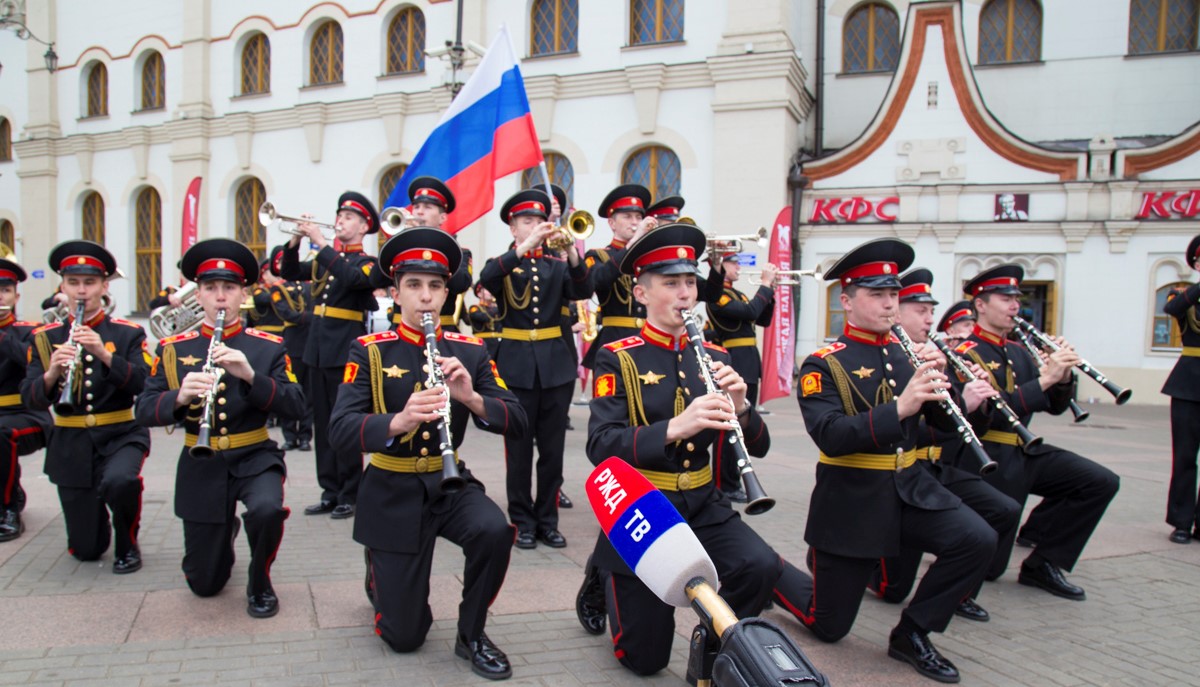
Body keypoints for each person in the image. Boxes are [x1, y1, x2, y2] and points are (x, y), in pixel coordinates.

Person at [778, 238, 997, 684]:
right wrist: (899, 408)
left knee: (977, 539)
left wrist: (947, 385)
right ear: (847, 300)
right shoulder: (823, 363)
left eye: (893, 295)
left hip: (910, 488)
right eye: (876, 295)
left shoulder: (906, 352)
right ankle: (771, 572)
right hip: (852, 502)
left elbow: (943, 424)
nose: (889, 305)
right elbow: (832, 436)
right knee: (829, 626)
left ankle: (913, 634)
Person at [329, 227, 527, 680]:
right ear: (395, 292)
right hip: (391, 488)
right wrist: (397, 422)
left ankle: (471, 633)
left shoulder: (471, 351)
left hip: (446, 483)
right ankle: (379, 567)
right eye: (414, 286)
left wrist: (472, 398)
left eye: (435, 286)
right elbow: (340, 430)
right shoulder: (368, 351)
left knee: (494, 530)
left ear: (445, 294)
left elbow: (517, 421)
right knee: (404, 638)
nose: (425, 298)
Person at [585, 221, 781, 676]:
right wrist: (673, 427)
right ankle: (603, 570)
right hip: (642, 504)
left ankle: (712, 651)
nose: (684, 293)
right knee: (644, 661)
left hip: (700, 499)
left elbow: (760, 445)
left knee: (759, 566)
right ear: (641, 294)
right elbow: (601, 445)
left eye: (690, 282)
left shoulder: (718, 357)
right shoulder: (618, 356)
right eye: (670, 283)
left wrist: (744, 408)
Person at [136, 239, 305, 617]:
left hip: (254, 455)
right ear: (198, 295)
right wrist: (179, 397)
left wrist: (250, 375)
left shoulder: (268, 346)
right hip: (202, 460)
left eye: (229, 288)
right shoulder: (173, 349)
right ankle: (221, 533)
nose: (220, 298)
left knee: (265, 510)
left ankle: (260, 580)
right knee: (205, 585)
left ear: (243, 293)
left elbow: (296, 406)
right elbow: (144, 410)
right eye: (211, 289)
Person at [865, 268, 1020, 624]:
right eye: (921, 310)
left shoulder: (934, 353)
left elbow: (957, 429)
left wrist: (969, 402)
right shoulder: (884, 357)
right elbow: (899, 431)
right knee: (893, 590)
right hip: (895, 470)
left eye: (932, 310)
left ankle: (954, 595)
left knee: (1000, 513)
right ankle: (851, 560)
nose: (931, 319)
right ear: (897, 311)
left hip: (933, 468)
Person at [957, 264, 1119, 599]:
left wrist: (1062, 377)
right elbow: (997, 413)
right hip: (989, 456)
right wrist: (1045, 379)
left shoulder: (1018, 351)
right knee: (991, 569)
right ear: (981, 305)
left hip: (1026, 450)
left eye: (1016, 297)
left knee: (1098, 481)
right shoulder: (964, 353)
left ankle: (1043, 562)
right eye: (1005, 298)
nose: (1015, 305)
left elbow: (1054, 406)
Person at [21, 240, 152, 573]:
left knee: (121, 481)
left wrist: (106, 356)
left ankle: (128, 540)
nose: (82, 291)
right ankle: (95, 527)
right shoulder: (45, 337)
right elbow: (31, 398)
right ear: (62, 287)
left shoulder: (128, 334)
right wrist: (52, 372)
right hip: (71, 443)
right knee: (87, 550)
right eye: (74, 283)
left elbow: (143, 384)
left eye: (90, 282)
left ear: (104, 286)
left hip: (120, 433)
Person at [478, 188, 593, 549]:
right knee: (519, 451)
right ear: (513, 228)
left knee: (552, 451)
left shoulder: (557, 267)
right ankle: (522, 521)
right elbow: (487, 277)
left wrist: (572, 251)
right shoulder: (505, 263)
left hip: (555, 367)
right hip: (516, 367)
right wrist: (525, 247)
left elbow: (584, 289)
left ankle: (548, 520)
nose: (533, 226)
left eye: (538, 221)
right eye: (525, 221)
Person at [279, 191, 382, 520]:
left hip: (344, 351)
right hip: (317, 351)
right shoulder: (326, 262)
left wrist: (321, 244)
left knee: (344, 424)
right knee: (321, 423)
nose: (340, 220)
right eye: (339, 215)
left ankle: (350, 493)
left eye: (349, 217)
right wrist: (295, 241)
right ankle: (329, 490)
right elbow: (290, 271)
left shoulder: (366, 263)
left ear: (365, 227)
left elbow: (353, 280)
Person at [706, 252, 778, 501]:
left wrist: (771, 293)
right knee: (728, 428)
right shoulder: (718, 296)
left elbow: (762, 318)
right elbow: (749, 312)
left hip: (748, 359)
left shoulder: (738, 293)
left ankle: (734, 480)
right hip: (733, 358)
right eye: (733, 262)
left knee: (743, 423)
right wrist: (765, 285)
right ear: (721, 266)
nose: (738, 267)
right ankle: (723, 483)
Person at [0, 257, 51, 541]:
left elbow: (36, 365)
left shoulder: (30, 332)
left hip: (27, 414)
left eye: (5, 289)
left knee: (1, 434)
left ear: (16, 296)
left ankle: (8, 509)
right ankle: (10, 488)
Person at [1164, 235, 1200, 544]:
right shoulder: (1184, 295)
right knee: (1185, 456)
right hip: (1188, 383)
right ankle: (1181, 522)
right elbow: (1172, 308)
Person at [267, 246, 314, 452]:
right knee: (290, 390)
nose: (280, 265)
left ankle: (304, 436)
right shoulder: (277, 289)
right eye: (277, 262)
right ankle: (289, 435)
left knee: (309, 394)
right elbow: (285, 313)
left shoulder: (308, 286)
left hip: (309, 343)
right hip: (292, 342)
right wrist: (311, 318)